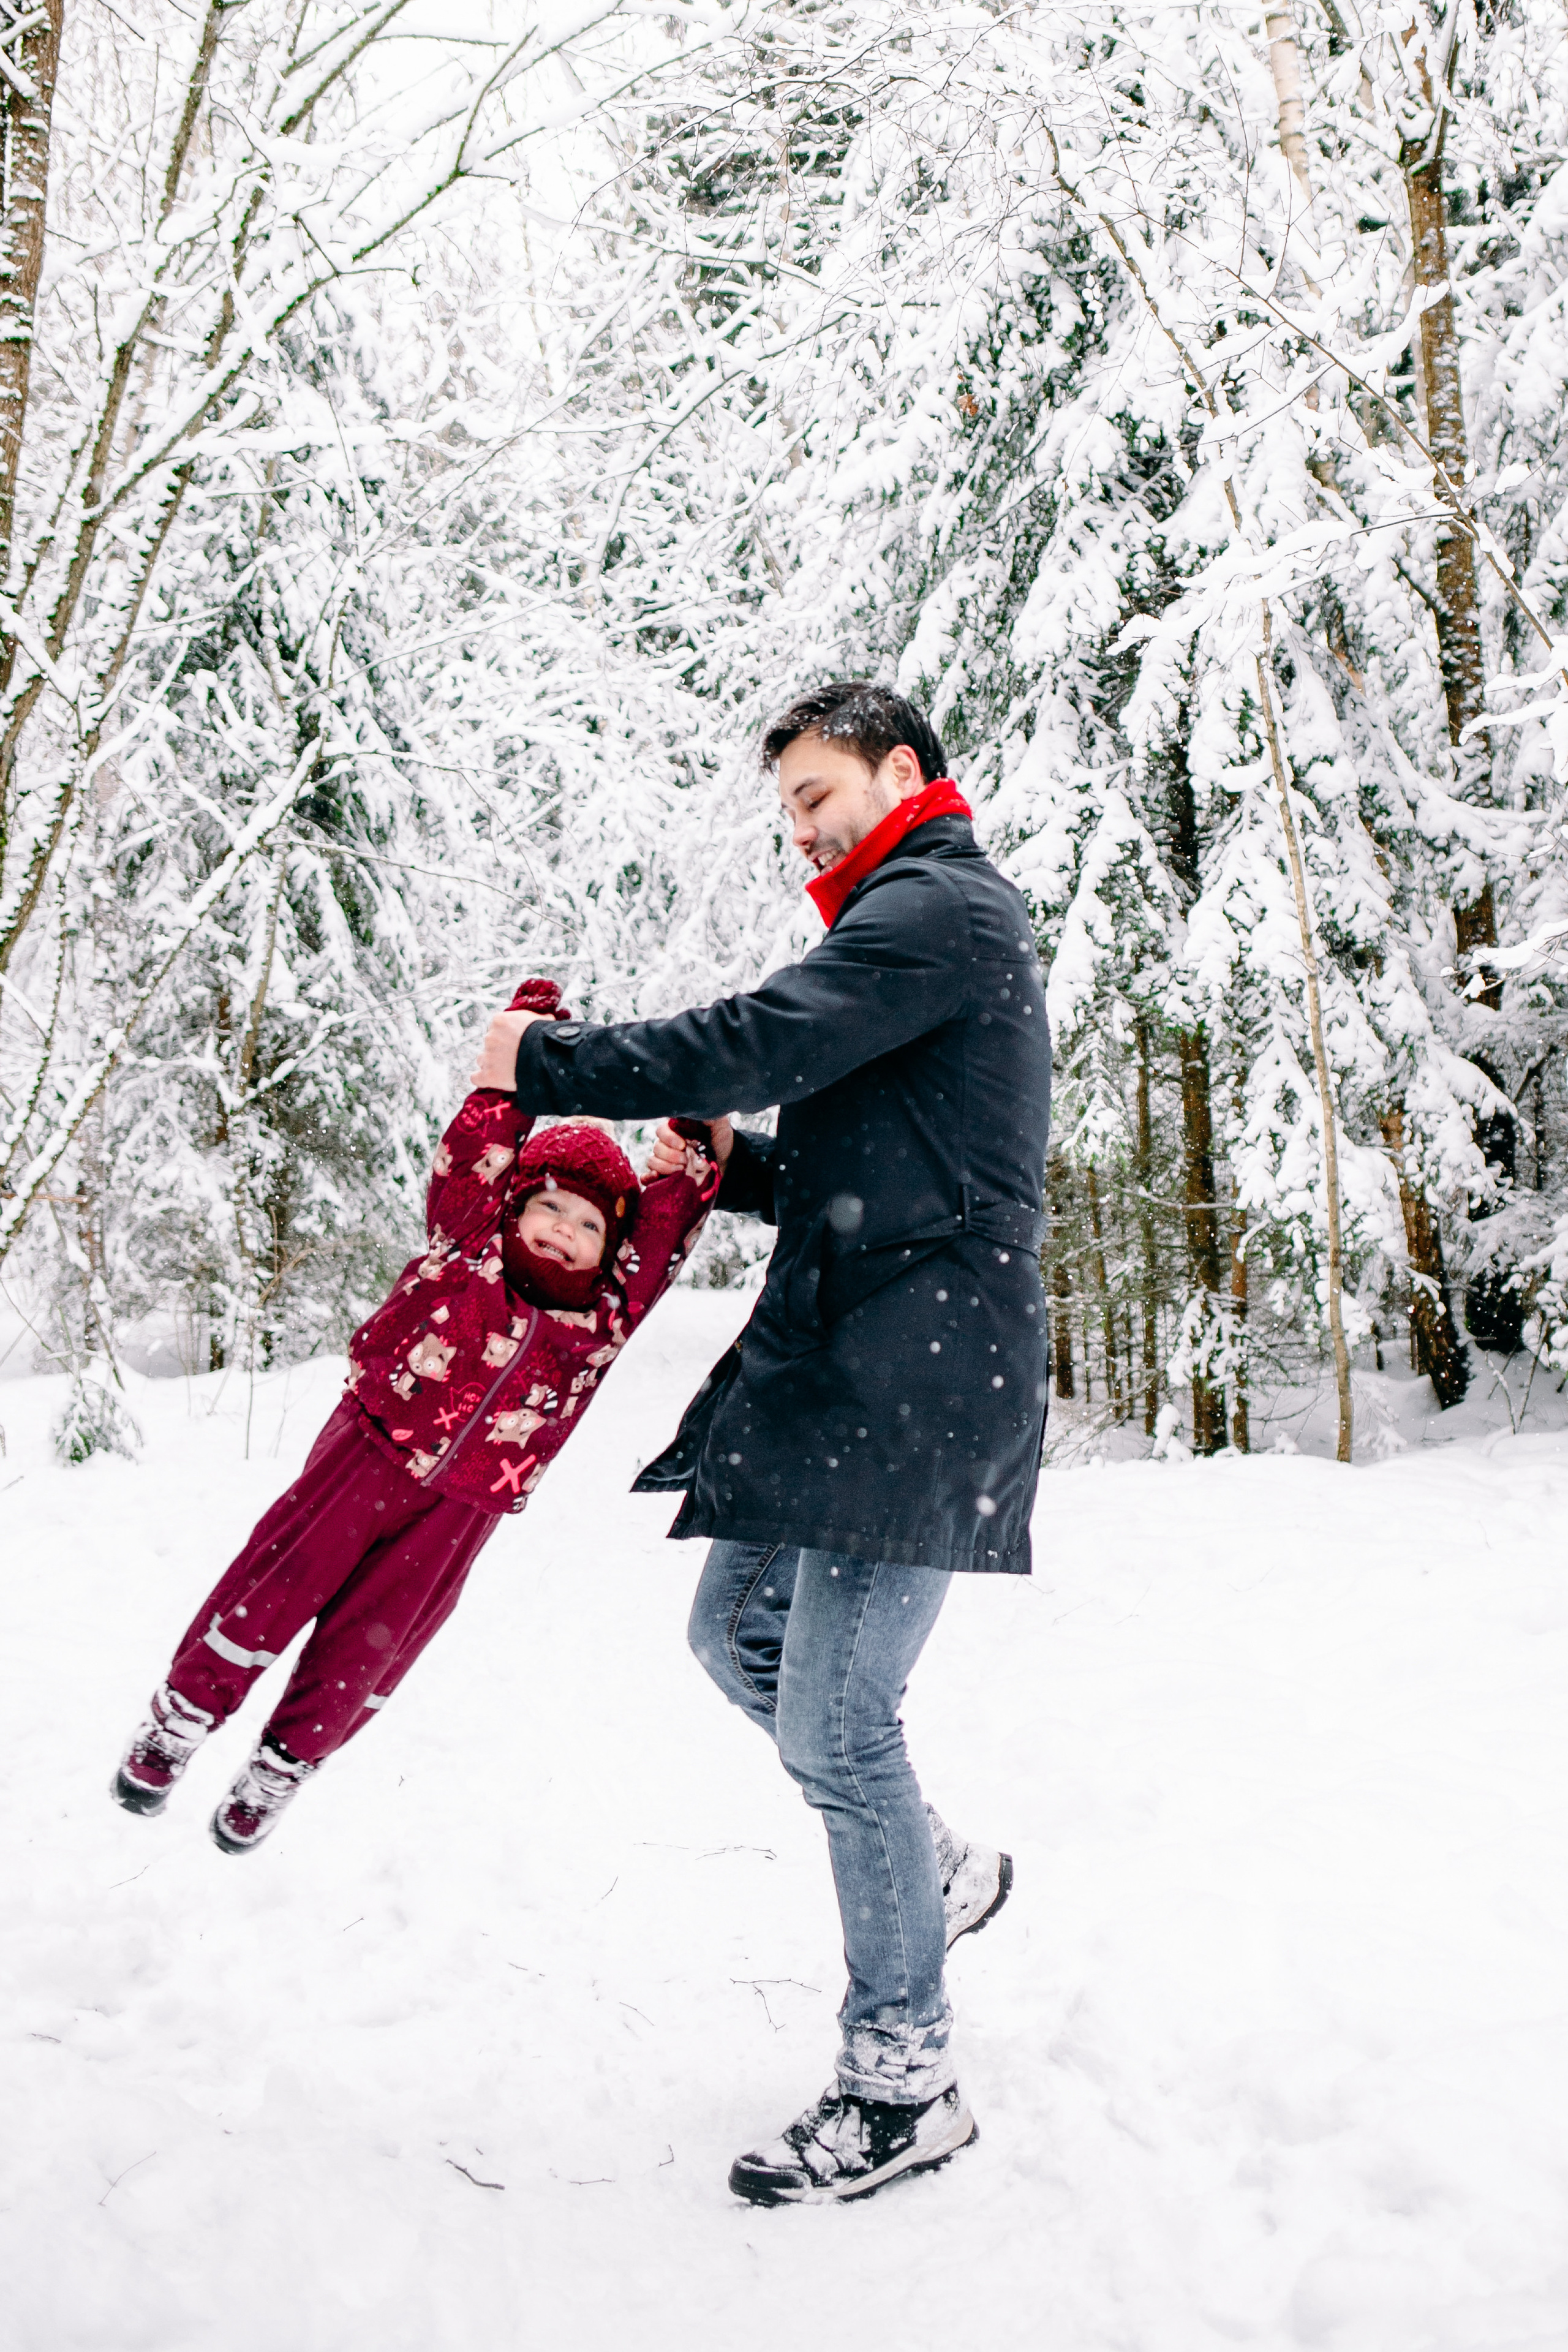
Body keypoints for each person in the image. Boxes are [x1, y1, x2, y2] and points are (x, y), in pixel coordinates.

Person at [472, 682, 1052, 2205]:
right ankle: (932, 1865)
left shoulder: (937, 909)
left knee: (835, 1722)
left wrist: (545, 1067)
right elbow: (870, 1171)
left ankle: (902, 2078)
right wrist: (736, 1172)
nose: (798, 823)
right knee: (735, 1634)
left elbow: (765, 1030)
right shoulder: (904, 923)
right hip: (852, 1361)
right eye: (785, 803)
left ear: (903, 773)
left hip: (919, 1380)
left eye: (816, 791)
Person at [111, 978, 720, 1853]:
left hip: (467, 1503)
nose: (557, 1227)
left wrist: (696, 1134)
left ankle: (284, 1764)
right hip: (368, 1450)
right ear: (511, 1204)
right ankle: (182, 1718)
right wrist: (522, 1058)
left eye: (584, 1223)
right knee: (274, 1586)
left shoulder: (606, 1317)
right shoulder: (467, 1241)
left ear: (609, 1249)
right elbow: (479, 1146)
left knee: (372, 1644)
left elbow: (664, 1232)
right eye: (544, 1202)